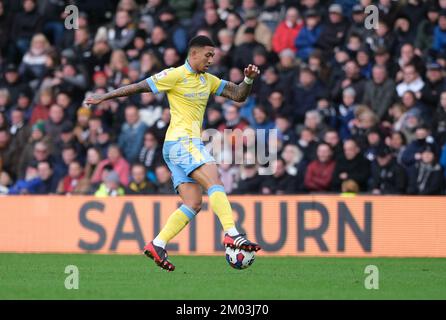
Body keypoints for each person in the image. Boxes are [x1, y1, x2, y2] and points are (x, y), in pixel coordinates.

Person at [84, 35, 262, 271]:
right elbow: (138, 87)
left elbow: (239, 95)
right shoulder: (174, 75)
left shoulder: (208, 80)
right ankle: (231, 233)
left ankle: (158, 244)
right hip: (182, 142)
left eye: (213, 56)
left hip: (177, 147)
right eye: (208, 55)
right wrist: (104, 96)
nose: (211, 60)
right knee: (214, 178)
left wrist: (248, 80)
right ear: (194, 54)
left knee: (194, 202)